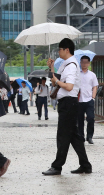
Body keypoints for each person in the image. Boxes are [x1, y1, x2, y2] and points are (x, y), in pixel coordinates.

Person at [42, 38, 92, 176]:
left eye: (60, 49)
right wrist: (52, 69)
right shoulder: (66, 64)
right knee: (74, 136)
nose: (58, 51)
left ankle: (57, 166)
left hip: (69, 102)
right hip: (66, 103)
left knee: (63, 135)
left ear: (66, 50)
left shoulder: (71, 65)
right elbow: (55, 82)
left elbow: (69, 87)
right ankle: (85, 165)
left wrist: (57, 80)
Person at [78, 56, 98, 144]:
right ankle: (80, 137)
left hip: (89, 99)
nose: (84, 64)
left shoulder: (92, 75)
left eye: (86, 62)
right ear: (80, 62)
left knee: (91, 118)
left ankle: (89, 136)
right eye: (82, 62)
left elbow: (95, 86)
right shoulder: (77, 74)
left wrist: (93, 97)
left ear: (89, 63)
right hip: (79, 100)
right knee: (79, 120)